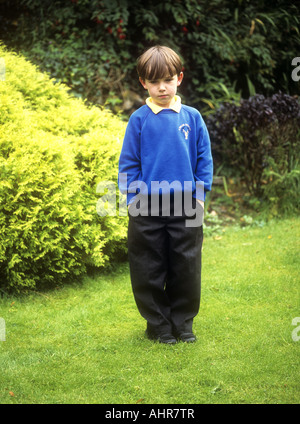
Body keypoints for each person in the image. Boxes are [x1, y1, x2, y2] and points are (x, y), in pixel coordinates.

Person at [118, 45, 213, 344]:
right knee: (148, 268)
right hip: (146, 206)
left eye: (168, 80)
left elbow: (204, 159)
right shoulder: (139, 120)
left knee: (185, 267)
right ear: (143, 82)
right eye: (154, 81)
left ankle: (182, 323)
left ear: (179, 79)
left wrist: (199, 196)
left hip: (187, 204)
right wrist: (133, 198)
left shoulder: (193, 117)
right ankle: (157, 325)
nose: (162, 87)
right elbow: (128, 163)